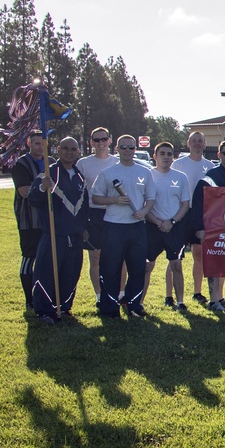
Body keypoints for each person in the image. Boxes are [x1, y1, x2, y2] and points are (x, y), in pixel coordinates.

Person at [91, 134, 156, 319]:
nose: (127, 151)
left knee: (137, 269)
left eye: (131, 147)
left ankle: (133, 304)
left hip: (136, 227)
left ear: (135, 149)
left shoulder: (145, 172)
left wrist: (144, 211)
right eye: (124, 147)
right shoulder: (108, 173)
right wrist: (114, 200)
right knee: (110, 268)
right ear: (117, 149)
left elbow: (151, 198)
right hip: (114, 227)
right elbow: (95, 197)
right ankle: (110, 308)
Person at [28, 137, 89, 325]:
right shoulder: (48, 173)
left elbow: (84, 205)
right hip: (54, 235)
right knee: (46, 273)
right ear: (57, 150)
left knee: (71, 273)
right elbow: (33, 199)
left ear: (78, 152)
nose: (69, 152)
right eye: (65, 148)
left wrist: (84, 227)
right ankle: (44, 311)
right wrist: (41, 188)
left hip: (75, 236)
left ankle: (63, 306)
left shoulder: (79, 176)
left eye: (73, 149)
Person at [191, 140, 225, 313]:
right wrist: (199, 228)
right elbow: (199, 203)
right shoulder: (210, 176)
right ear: (219, 155)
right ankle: (213, 301)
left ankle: (220, 296)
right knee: (214, 264)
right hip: (213, 228)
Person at [143, 142, 191, 310]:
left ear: (173, 157)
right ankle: (139, 303)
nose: (166, 157)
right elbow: (143, 205)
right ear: (155, 156)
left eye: (169, 154)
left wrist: (171, 222)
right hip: (152, 227)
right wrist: (158, 222)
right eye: (162, 153)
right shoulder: (147, 176)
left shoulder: (180, 177)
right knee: (147, 266)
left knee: (176, 265)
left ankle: (180, 302)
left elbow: (185, 204)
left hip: (174, 228)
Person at [76, 126, 119, 307]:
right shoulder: (83, 164)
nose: (100, 143)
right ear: (91, 142)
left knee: (118, 256)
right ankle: (99, 295)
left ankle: (120, 294)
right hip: (92, 213)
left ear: (109, 140)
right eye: (96, 140)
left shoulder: (118, 162)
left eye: (104, 139)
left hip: (115, 213)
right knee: (95, 257)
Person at [172, 131, 215, 305]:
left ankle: (197, 292)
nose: (197, 144)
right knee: (174, 255)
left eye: (200, 141)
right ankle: (170, 296)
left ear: (205, 144)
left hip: (200, 214)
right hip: (181, 213)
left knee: (199, 254)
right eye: (194, 141)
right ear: (188, 143)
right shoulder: (179, 164)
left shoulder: (210, 166)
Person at [11, 131, 52, 312]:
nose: (40, 147)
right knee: (29, 258)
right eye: (36, 144)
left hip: (48, 220)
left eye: (43, 144)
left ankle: (46, 297)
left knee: (48, 260)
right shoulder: (21, 164)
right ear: (29, 143)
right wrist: (42, 187)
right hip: (29, 220)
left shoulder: (51, 163)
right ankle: (30, 300)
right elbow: (24, 191)